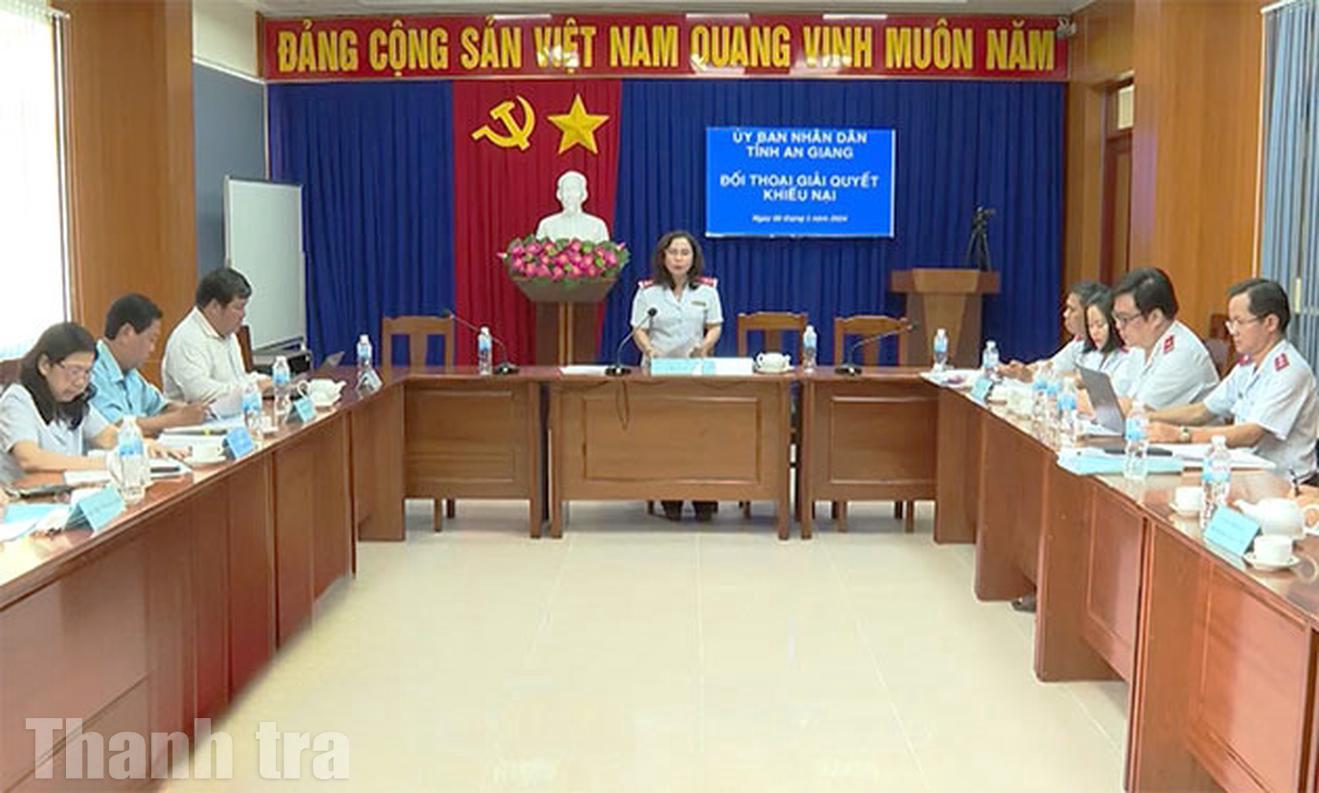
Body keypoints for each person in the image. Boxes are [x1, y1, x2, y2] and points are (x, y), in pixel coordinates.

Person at [1146, 278, 1319, 481]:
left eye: (1240, 322)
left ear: (1270, 323)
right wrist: (1148, 417)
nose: (1233, 331)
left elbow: (1251, 434)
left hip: (1284, 483)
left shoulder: (1290, 371)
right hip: (1245, 473)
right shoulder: (1247, 365)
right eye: (1231, 322)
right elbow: (1203, 410)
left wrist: (1181, 435)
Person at [0, 323, 177, 484]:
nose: (80, 382)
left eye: (87, 372)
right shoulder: (17, 399)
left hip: (65, 493)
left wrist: (144, 445)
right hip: (25, 500)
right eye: (74, 371)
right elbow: (30, 459)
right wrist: (102, 463)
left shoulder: (73, 399)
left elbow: (107, 436)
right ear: (45, 365)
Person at [629, 230, 724, 522]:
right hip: (658, 372)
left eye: (685, 253)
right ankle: (670, 495)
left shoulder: (707, 291)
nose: (679, 258)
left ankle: (704, 497)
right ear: (663, 257)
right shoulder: (647, 292)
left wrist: (705, 345)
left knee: (701, 435)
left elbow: (715, 326)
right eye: (673, 252)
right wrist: (649, 349)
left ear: (694, 258)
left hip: (696, 372)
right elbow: (639, 329)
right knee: (665, 435)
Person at [91, 293, 211, 434]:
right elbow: (115, 426)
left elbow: (160, 407)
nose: (152, 349)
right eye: (151, 339)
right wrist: (179, 419)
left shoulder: (129, 371)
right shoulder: (91, 370)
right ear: (126, 333)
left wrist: (196, 411)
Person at [162, 268, 268, 417]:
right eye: (238, 307)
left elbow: (239, 378)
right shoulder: (186, 339)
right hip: (197, 425)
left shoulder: (227, 332)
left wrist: (266, 382)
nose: (243, 314)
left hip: (230, 418)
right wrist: (252, 387)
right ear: (215, 307)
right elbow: (200, 393)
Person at [1109, 267, 1218, 410]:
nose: (1118, 326)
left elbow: (1140, 411)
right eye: (1116, 317)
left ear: (1155, 318)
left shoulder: (1182, 354)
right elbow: (1113, 392)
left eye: (1125, 319)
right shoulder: (1140, 346)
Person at [1001, 280, 1103, 381]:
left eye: (1072, 310)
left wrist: (1032, 376)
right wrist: (1022, 370)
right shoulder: (1079, 343)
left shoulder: (1102, 348)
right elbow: (1051, 365)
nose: (1065, 314)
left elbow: (1081, 381)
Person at [1076, 286, 1141, 395]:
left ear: (1114, 324)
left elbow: (1114, 394)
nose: (1094, 332)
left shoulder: (1128, 358)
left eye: (1100, 325)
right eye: (1090, 326)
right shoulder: (1092, 355)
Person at [535, 170, 610, 243]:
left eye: (575, 189)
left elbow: (605, 249)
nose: (570, 195)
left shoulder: (597, 226)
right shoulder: (546, 225)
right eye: (566, 190)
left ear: (584, 195)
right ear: (559, 195)